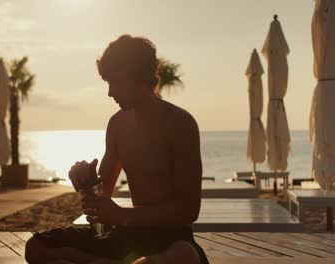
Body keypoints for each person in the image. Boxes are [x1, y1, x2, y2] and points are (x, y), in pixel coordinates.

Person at [25, 34, 209, 264]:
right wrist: (87, 183)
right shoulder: (117, 125)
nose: (110, 92)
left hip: (170, 238)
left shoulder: (180, 123)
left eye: (114, 82)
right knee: (36, 246)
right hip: (128, 235)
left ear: (136, 74)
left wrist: (122, 215)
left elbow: (188, 210)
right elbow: (103, 195)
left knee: (183, 256)